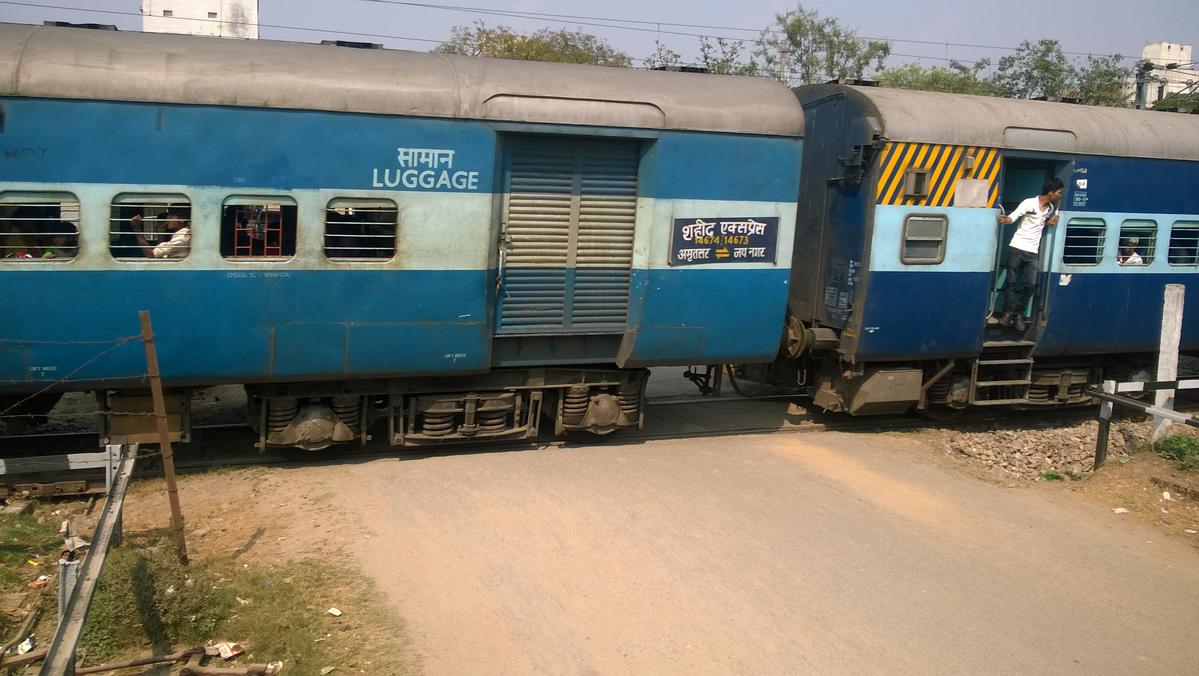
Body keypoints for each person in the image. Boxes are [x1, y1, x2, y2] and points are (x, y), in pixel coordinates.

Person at [998, 177, 1064, 332]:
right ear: (1051, 192)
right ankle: (1008, 313)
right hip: (1017, 247)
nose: (1060, 196)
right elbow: (1014, 216)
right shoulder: (1028, 203)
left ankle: (1019, 314)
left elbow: (1043, 223)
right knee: (1011, 282)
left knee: (1030, 285)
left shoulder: (1051, 209)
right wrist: (1007, 219)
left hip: (1033, 251)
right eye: (1059, 193)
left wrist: (1050, 223)